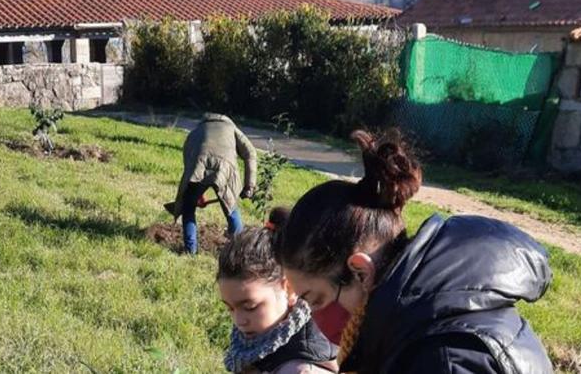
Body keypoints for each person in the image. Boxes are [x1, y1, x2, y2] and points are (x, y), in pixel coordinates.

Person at [273, 129, 553, 374]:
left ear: (360, 272)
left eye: (316, 300)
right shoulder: (418, 322)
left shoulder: (443, 360)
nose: (316, 319)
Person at [218, 209, 339, 374]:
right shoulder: (260, 345)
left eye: (250, 307)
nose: (239, 321)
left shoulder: (299, 370)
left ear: (289, 290)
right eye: (230, 308)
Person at [170, 113, 258, 254]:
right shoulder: (231, 127)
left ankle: (190, 250)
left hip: (199, 165)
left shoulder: (194, 133)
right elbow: (251, 153)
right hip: (225, 168)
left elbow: (190, 166)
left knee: (188, 208)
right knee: (231, 209)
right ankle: (238, 251)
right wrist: (250, 185)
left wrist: (196, 196)